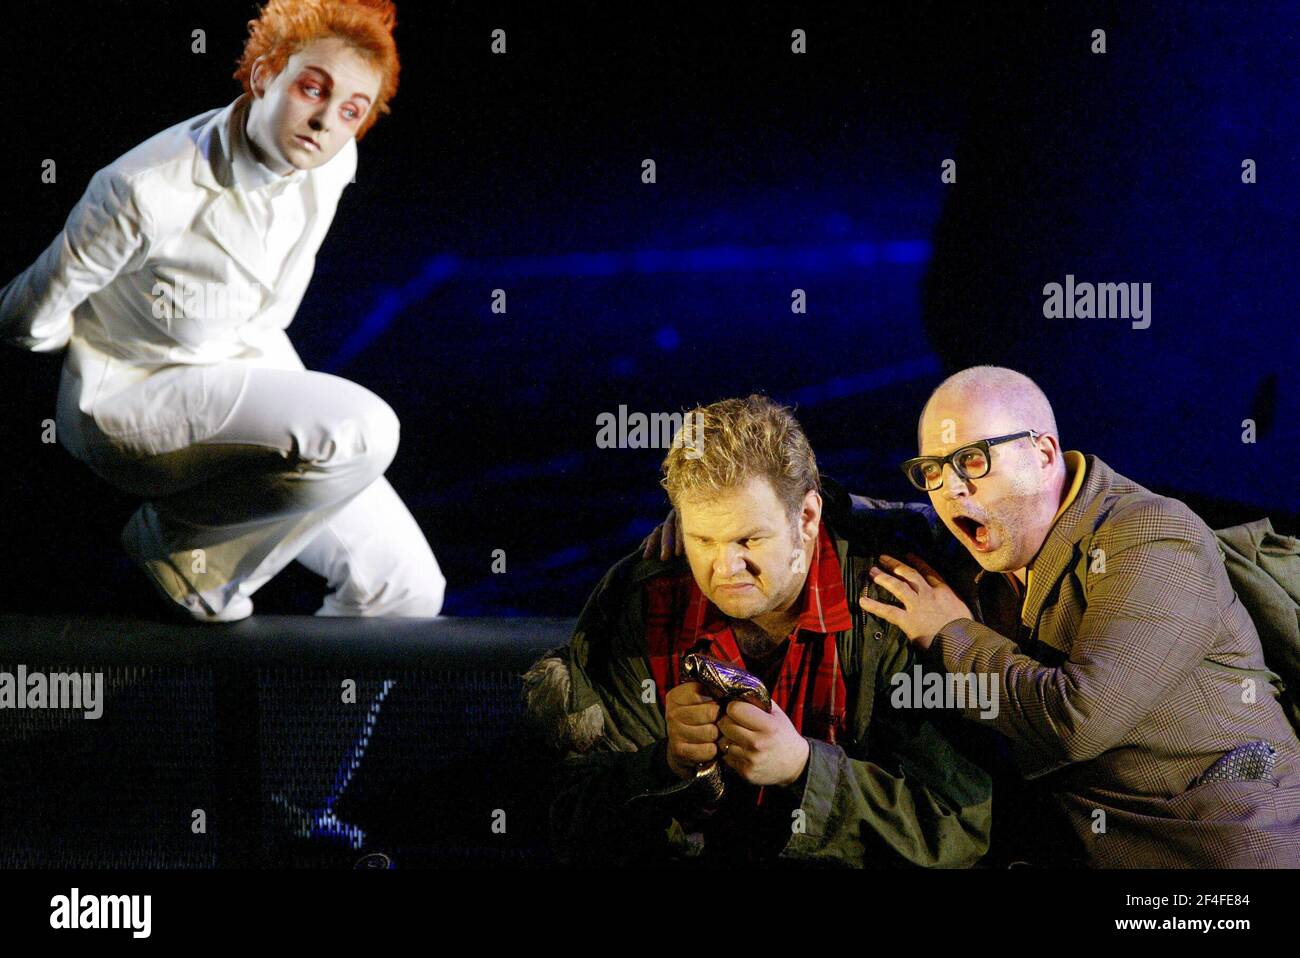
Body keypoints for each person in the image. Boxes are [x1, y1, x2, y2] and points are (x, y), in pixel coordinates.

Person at [0, 0, 444, 621]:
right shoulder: (144, 188)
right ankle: (182, 549)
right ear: (264, 76)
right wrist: (109, 338)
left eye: (351, 109)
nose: (324, 121)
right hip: (139, 394)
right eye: (312, 89)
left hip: (251, 357)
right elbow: (23, 318)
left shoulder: (335, 160)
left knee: (407, 591)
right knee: (363, 431)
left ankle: (316, 722)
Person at [523, 394, 992, 867]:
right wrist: (664, 766)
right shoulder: (645, 602)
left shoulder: (897, 602)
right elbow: (569, 821)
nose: (725, 568)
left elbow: (958, 828)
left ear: (807, 517)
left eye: (750, 539)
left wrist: (806, 770)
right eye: (703, 539)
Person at [859, 365, 1300, 867]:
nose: (951, 489)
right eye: (932, 470)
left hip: (1218, 852)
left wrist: (948, 635)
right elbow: (896, 516)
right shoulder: (996, 540)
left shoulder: (1150, 533)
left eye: (972, 460)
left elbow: (1078, 721)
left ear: (1043, 454)